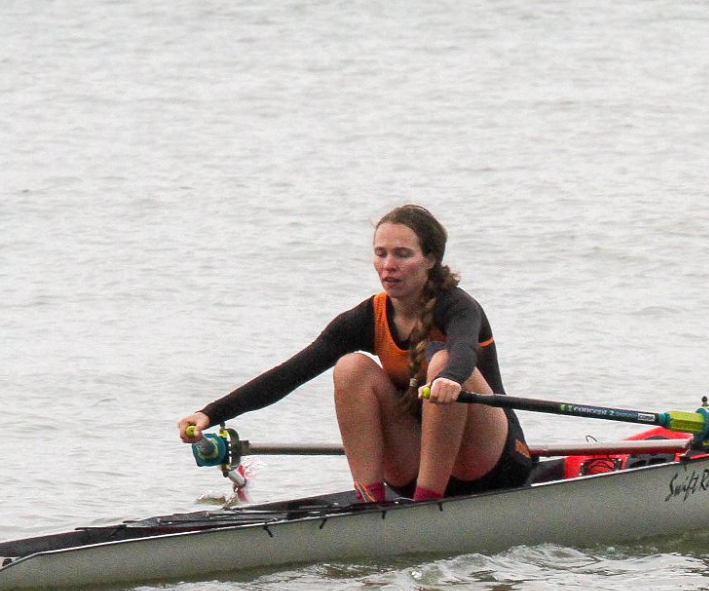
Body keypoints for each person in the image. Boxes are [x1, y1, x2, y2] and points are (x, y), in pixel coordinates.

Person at [177, 205, 533, 502]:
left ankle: (428, 508)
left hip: (494, 464)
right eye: (381, 253)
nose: (388, 265)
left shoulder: (459, 307)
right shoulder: (366, 317)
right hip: (414, 463)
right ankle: (370, 502)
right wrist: (210, 414)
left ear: (430, 259)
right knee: (350, 368)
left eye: (402, 254)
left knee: (441, 363)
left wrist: (451, 379)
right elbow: (289, 374)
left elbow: (463, 352)